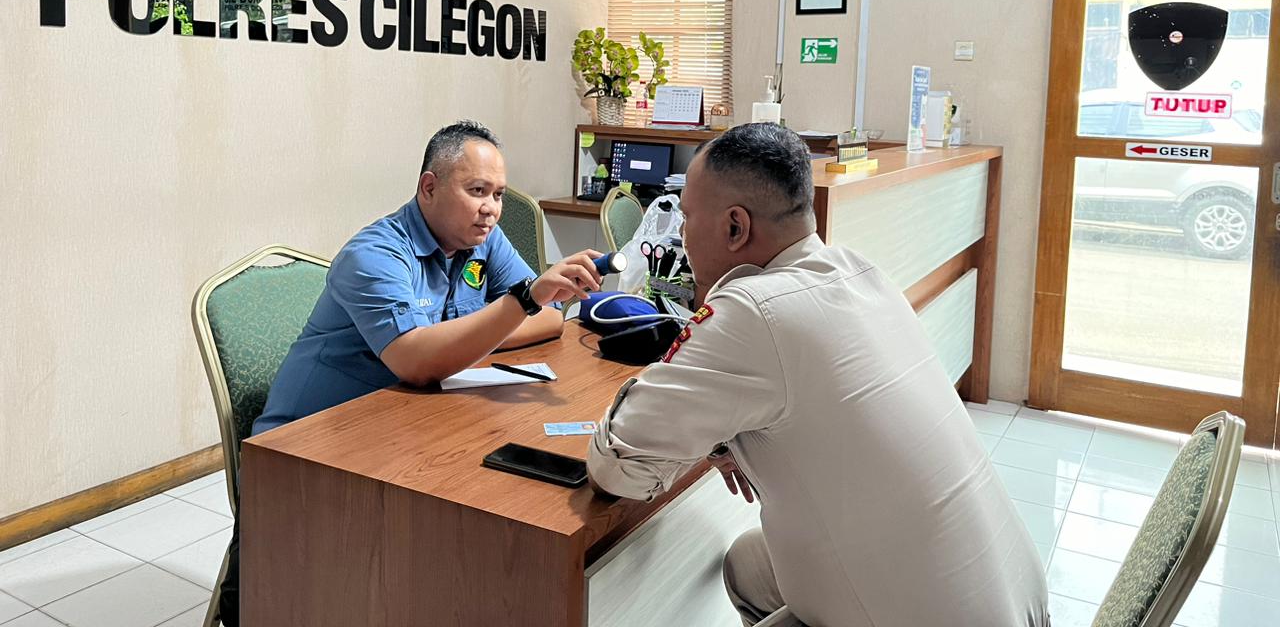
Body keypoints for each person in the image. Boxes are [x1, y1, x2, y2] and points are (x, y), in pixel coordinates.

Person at [586, 123, 1048, 627]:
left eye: (688, 217)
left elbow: (618, 467)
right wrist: (721, 439)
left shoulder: (751, 311)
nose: (681, 234)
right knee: (748, 563)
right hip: (1014, 599)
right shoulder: (859, 271)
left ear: (735, 227)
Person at [217, 120, 603, 626]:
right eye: (477, 191)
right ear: (429, 187)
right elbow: (418, 362)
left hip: (400, 430)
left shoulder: (483, 241)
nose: (491, 208)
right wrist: (508, 310)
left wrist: (460, 337)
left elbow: (549, 318)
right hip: (307, 454)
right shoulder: (375, 254)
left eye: (498, 194)